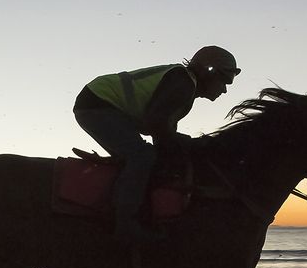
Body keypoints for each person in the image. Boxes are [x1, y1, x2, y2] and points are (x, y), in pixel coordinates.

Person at [73, 46, 241, 243]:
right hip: (97, 104)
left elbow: (163, 136)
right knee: (141, 157)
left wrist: (182, 146)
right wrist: (194, 144)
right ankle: (126, 224)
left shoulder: (186, 85)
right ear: (208, 71)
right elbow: (157, 127)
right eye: (224, 81)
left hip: (102, 103)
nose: (224, 89)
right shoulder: (183, 84)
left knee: (145, 157)